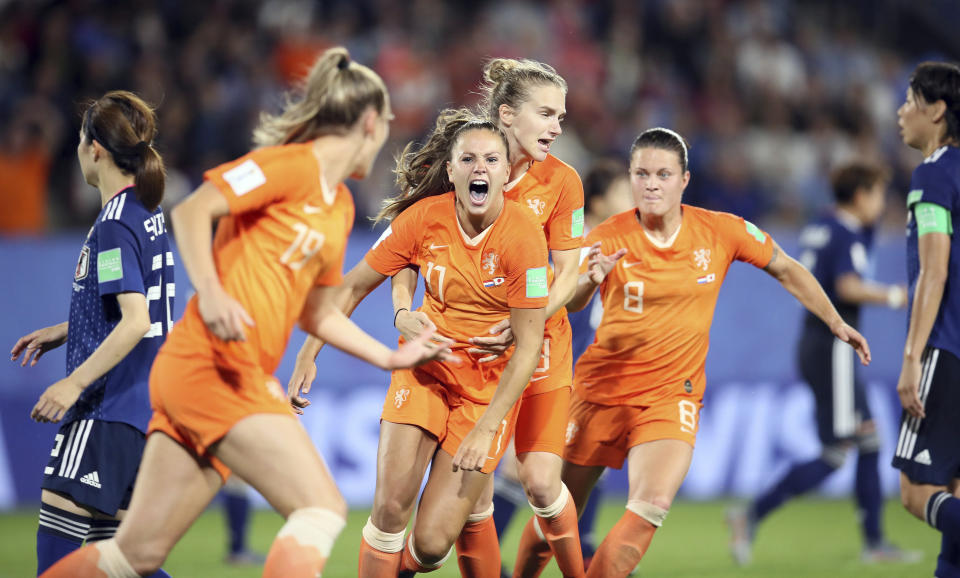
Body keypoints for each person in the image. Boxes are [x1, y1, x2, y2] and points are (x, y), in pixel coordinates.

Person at [41, 47, 444, 578]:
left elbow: (318, 312)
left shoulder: (339, 206)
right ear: (369, 121)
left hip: (214, 374)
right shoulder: (289, 166)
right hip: (213, 366)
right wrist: (209, 291)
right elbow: (193, 211)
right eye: (387, 122)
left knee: (134, 555)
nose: (388, 132)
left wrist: (391, 358)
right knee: (321, 508)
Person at [558, 127, 871, 578]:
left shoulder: (719, 231)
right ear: (630, 178)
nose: (651, 184)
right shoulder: (606, 236)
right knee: (560, 510)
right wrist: (588, 280)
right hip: (600, 391)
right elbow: (571, 301)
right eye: (642, 174)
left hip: (671, 396)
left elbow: (784, 266)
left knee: (651, 505)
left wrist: (835, 320)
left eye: (663, 174)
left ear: (684, 180)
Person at [288, 113, 549, 577]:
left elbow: (528, 347)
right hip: (424, 371)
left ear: (507, 171)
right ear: (451, 171)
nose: (479, 169)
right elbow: (348, 289)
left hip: (484, 392)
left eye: (491, 159)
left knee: (430, 545)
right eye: (467, 159)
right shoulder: (423, 220)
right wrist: (308, 354)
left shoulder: (525, 238)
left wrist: (489, 427)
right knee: (389, 506)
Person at [8, 91, 174, 577]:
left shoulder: (115, 224)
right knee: (122, 563)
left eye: (81, 141)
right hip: (140, 413)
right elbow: (142, 310)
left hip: (104, 410)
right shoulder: (145, 214)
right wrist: (68, 329)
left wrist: (72, 383)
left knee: (56, 563)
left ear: (95, 149)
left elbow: (136, 320)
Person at [728, 162, 920, 565]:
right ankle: (752, 515)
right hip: (833, 346)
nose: (883, 203)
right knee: (839, 451)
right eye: (879, 194)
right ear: (861, 195)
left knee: (866, 442)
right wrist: (896, 297)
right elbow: (848, 286)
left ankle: (874, 543)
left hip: (817, 345)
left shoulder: (823, 225)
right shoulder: (844, 231)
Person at [455, 57, 587, 578]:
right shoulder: (463, 164)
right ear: (507, 115)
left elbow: (569, 272)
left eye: (561, 115)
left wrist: (524, 321)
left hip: (541, 350)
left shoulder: (563, 181)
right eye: (547, 113)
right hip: (473, 353)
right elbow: (410, 239)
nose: (557, 126)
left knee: (540, 483)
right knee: (474, 491)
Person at [491, 159, 631, 575]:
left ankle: (577, 553)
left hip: (579, 370)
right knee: (533, 471)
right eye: (625, 191)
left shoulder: (598, 243)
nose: (633, 201)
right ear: (602, 199)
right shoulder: (577, 247)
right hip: (556, 367)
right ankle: (503, 558)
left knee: (571, 464)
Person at [889, 61, 960, 578]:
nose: (901, 111)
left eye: (910, 100)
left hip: (945, 348)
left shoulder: (933, 175)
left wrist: (912, 357)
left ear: (936, 111)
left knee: (917, 492)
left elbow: (933, 274)